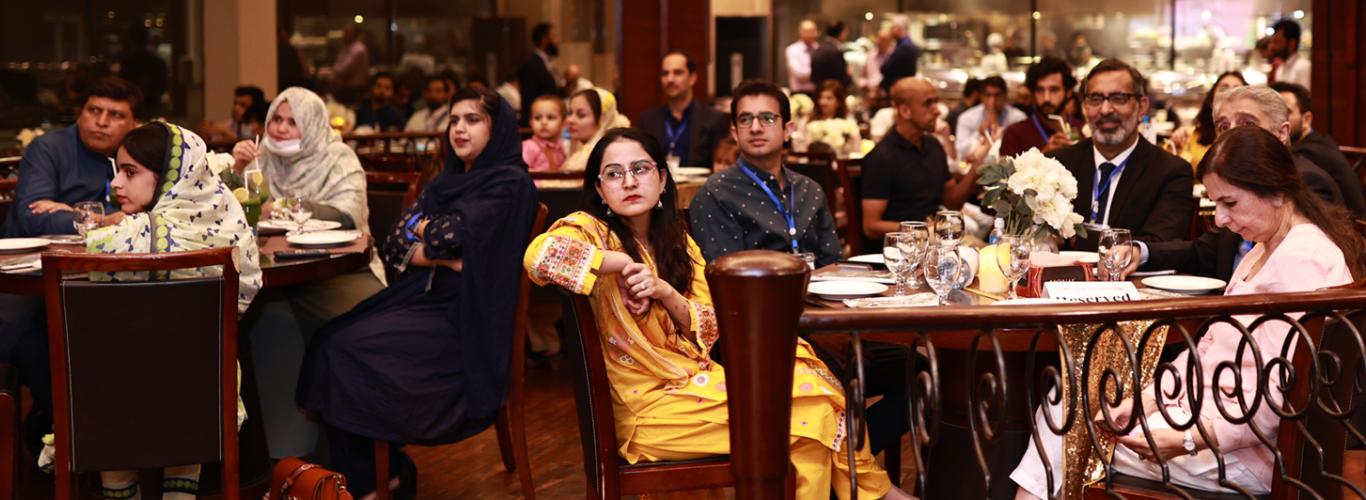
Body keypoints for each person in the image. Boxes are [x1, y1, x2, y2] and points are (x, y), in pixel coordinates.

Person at [524, 127, 910, 500]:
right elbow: (538, 257)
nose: (628, 181)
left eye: (640, 169)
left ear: (661, 180)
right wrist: (620, 263)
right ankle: (879, 494)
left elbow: (710, 325)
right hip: (647, 412)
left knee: (808, 401)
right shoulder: (588, 231)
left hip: (695, 386)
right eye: (614, 174)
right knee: (812, 419)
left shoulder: (677, 242)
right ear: (600, 190)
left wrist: (665, 291)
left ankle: (875, 494)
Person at [1014, 126, 1362, 499]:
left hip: (1247, 453)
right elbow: (1208, 350)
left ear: (1276, 190)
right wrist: (1145, 399)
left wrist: (1185, 440)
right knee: (1068, 402)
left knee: (1065, 419)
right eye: (1217, 206)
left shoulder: (1300, 259)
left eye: (1231, 203)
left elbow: (1275, 402)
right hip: (1215, 420)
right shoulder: (1268, 248)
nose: (1223, 221)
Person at [297, 87, 537, 497]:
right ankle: (378, 471)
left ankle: (375, 476)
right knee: (329, 339)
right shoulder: (450, 181)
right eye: (454, 119)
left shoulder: (510, 184)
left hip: (467, 317)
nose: (459, 129)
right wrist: (445, 254)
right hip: (425, 298)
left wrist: (427, 233)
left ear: (496, 129)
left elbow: (448, 234)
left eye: (472, 120)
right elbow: (392, 244)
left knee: (347, 350)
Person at [65, 122, 264, 499]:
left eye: (130, 172)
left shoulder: (119, 240)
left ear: (173, 175)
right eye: (117, 171)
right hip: (199, 396)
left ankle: (118, 490)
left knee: (107, 363)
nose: (116, 185)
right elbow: (247, 289)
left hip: (112, 400)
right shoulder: (231, 230)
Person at [228, 87, 388, 459]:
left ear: (313, 125)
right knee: (267, 321)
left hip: (336, 272)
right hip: (275, 275)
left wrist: (280, 208)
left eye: (292, 122)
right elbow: (233, 211)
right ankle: (282, 457)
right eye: (276, 120)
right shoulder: (261, 158)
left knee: (351, 330)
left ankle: (356, 451)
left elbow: (348, 212)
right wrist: (236, 172)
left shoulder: (338, 159)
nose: (281, 129)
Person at [0, 76, 141, 458]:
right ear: (80, 114)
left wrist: (72, 213)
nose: (101, 121)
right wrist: (107, 219)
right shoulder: (48, 149)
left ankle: (119, 435)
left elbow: (154, 213)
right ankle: (61, 425)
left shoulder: (141, 155)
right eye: (93, 111)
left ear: (132, 125)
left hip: (107, 276)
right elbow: (35, 218)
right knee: (22, 335)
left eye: (115, 115)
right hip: (31, 276)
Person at [1126, 85, 1348, 281]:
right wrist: (1140, 251)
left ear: (1281, 133)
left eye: (1247, 124)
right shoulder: (1237, 190)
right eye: (1223, 126)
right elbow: (1206, 251)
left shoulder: (1301, 186)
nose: (1232, 133)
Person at [688, 79, 842, 266]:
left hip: (818, 292)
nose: (755, 128)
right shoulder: (716, 194)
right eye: (745, 119)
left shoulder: (810, 190)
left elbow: (834, 264)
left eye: (767, 118)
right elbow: (727, 279)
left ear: (787, 130)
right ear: (735, 133)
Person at [1047, 59, 1193, 250]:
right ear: (1084, 107)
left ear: (1141, 107)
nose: (1106, 110)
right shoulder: (1058, 164)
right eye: (1096, 99)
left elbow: (1160, 244)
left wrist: (1076, 238)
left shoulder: (1170, 172)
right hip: (1062, 279)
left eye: (1118, 98)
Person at [861, 77, 978, 241]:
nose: (937, 110)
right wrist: (922, 230)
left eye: (936, 102)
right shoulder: (882, 157)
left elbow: (952, 203)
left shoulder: (933, 146)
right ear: (905, 111)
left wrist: (977, 167)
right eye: (928, 103)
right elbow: (871, 226)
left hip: (936, 242)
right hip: (900, 250)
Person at [1272, 81, 1366, 217]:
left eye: (1286, 113)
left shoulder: (1309, 153)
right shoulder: (1316, 142)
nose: (1278, 120)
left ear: (1307, 119)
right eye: (1273, 114)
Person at [636, 51, 730, 168]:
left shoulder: (714, 119)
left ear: (692, 78)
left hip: (700, 185)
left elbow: (721, 164)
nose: (670, 79)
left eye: (677, 73)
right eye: (665, 74)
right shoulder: (647, 120)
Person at [1001, 57, 1082, 157]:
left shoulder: (1083, 130)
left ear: (1068, 92)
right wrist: (1044, 155)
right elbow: (1006, 172)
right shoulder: (1015, 134)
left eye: (1054, 90)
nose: (1046, 98)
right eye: (1040, 90)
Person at [1167, 71, 1247, 169]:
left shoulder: (1253, 137)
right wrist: (1175, 147)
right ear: (1211, 100)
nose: (1229, 94)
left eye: (1237, 89)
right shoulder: (1190, 136)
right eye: (1223, 89)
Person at [954, 76, 1026, 160]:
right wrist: (980, 134)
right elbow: (960, 152)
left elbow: (1023, 152)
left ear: (1005, 96)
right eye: (988, 95)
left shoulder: (1019, 118)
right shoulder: (967, 117)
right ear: (981, 96)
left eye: (997, 95)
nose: (992, 101)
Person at [564, 87, 630, 171]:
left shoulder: (605, 154)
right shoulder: (575, 146)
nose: (570, 120)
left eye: (581, 115)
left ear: (602, 119)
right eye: (570, 113)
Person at [118, 22, 167, 118]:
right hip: (150, 106)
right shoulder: (158, 62)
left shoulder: (128, 62)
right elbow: (162, 87)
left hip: (141, 106)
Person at [517, 23, 560, 126]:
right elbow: (529, 99)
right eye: (554, 36)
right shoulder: (531, 65)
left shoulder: (547, 62)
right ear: (544, 39)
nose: (558, 41)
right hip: (539, 122)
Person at [806, 80, 862, 152]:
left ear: (839, 102)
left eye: (829, 98)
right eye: (821, 97)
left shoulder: (848, 124)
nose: (823, 102)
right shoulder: (809, 120)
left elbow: (855, 150)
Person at [199, 85, 267, 143]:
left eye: (243, 105)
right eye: (235, 103)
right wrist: (207, 134)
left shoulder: (263, 128)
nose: (236, 108)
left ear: (255, 107)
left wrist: (227, 133)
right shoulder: (231, 123)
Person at [522, 94, 567, 171]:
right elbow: (520, 172)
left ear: (563, 123)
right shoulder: (529, 146)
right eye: (538, 118)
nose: (543, 122)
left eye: (550, 117)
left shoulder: (562, 146)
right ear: (531, 122)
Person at [879, 15, 920, 93]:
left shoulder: (904, 47)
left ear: (899, 28)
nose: (891, 31)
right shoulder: (904, 45)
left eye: (892, 28)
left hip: (901, 90)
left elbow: (885, 69)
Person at [332, 25, 371, 104]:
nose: (344, 35)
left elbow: (343, 70)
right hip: (347, 88)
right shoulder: (347, 47)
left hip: (355, 90)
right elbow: (337, 66)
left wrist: (336, 70)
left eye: (346, 33)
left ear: (354, 34)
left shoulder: (358, 50)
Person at [1268, 19, 1310, 90]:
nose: (1272, 47)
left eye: (1277, 42)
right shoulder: (1281, 67)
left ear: (1291, 43)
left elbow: (1304, 99)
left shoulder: (1303, 67)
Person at [810, 20, 852, 89]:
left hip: (819, 92)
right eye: (845, 32)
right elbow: (842, 78)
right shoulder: (835, 51)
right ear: (841, 33)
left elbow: (813, 77)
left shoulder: (818, 49)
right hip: (833, 92)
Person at [785, 19, 820, 94]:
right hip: (799, 92)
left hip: (817, 91)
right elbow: (799, 74)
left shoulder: (818, 48)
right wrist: (818, 72)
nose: (812, 34)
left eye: (814, 31)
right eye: (809, 31)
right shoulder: (793, 50)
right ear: (801, 32)